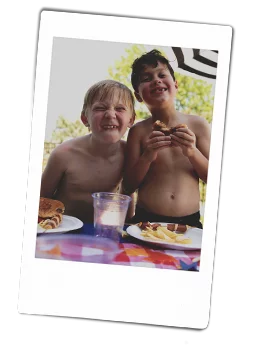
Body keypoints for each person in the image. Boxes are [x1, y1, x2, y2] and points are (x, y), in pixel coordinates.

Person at [123, 50, 211, 228]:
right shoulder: (138, 132)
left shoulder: (199, 125)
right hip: (145, 221)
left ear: (176, 85)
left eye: (162, 74)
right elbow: (128, 186)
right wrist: (148, 156)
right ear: (138, 96)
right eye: (146, 78)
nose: (156, 80)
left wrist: (192, 152)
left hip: (189, 223)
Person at [40, 80, 136, 223]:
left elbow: (128, 192)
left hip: (98, 230)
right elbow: (40, 199)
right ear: (85, 119)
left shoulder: (129, 154)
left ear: (131, 119)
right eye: (100, 108)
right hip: (61, 228)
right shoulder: (64, 154)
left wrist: (128, 225)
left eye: (120, 108)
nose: (110, 114)